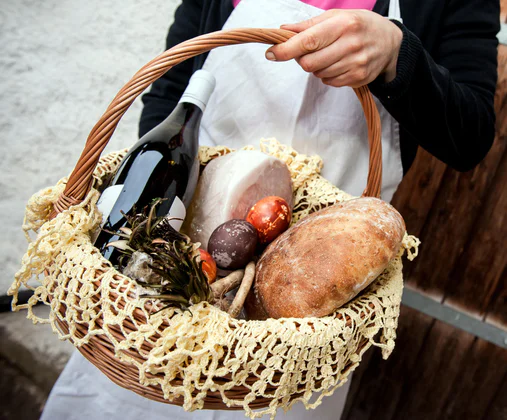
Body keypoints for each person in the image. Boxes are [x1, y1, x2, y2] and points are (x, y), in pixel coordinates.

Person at [41, 0, 500, 419]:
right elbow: (172, 86)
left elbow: (470, 137)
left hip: (303, 327)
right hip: (169, 288)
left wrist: (400, 57)